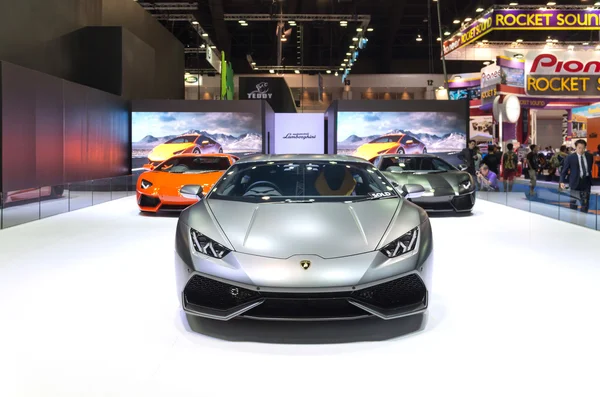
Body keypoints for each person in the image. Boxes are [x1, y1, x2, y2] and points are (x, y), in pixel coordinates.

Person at [560, 139, 594, 213]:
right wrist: (561, 181)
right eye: (579, 148)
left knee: (585, 203)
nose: (581, 150)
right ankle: (573, 221)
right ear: (575, 147)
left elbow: (589, 168)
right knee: (573, 203)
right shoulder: (570, 157)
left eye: (583, 148)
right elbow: (564, 171)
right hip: (575, 182)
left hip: (586, 182)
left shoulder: (589, 156)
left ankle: (583, 221)